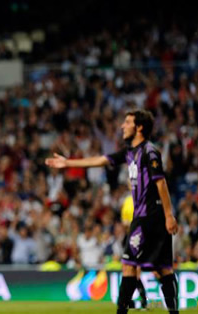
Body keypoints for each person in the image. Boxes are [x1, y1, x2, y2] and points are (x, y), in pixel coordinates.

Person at [45, 109, 179, 314]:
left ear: (139, 127)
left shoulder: (149, 151)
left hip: (150, 217)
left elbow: (161, 183)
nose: (122, 126)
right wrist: (68, 163)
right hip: (142, 217)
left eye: (127, 122)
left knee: (136, 266)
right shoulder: (129, 152)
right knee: (160, 268)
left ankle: (123, 311)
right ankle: (171, 311)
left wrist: (169, 215)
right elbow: (100, 160)